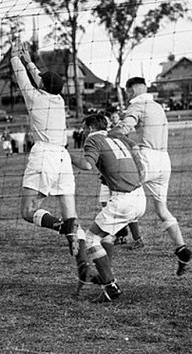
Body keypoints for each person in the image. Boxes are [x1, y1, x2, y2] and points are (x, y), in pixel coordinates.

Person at [10, 40, 87, 285]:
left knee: (27, 212)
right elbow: (40, 78)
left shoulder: (35, 98)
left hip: (44, 156)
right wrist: (29, 60)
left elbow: (23, 78)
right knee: (72, 215)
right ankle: (83, 264)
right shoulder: (59, 100)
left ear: (42, 84)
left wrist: (15, 58)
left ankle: (61, 227)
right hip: (63, 157)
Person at [110, 77, 192, 276]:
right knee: (162, 209)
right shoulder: (157, 106)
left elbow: (124, 129)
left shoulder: (136, 106)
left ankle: (101, 248)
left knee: (116, 196)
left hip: (146, 158)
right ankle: (181, 248)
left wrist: (108, 134)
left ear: (130, 91)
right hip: (164, 160)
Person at [70, 113, 146, 302]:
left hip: (123, 200)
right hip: (140, 196)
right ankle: (104, 274)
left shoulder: (93, 139)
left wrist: (65, 154)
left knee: (91, 238)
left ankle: (110, 285)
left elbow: (87, 165)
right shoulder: (116, 138)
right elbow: (134, 153)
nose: (83, 131)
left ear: (89, 128)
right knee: (106, 234)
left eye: (84, 127)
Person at [105, 110, 144, 249]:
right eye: (112, 117)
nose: (114, 119)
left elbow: (132, 146)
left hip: (121, 177)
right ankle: (120, 236)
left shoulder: (120, 134)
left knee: (126, 208)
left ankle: (136, 238)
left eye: (115, 117)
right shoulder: (103, 137)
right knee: (107, 205)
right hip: (107, 178)